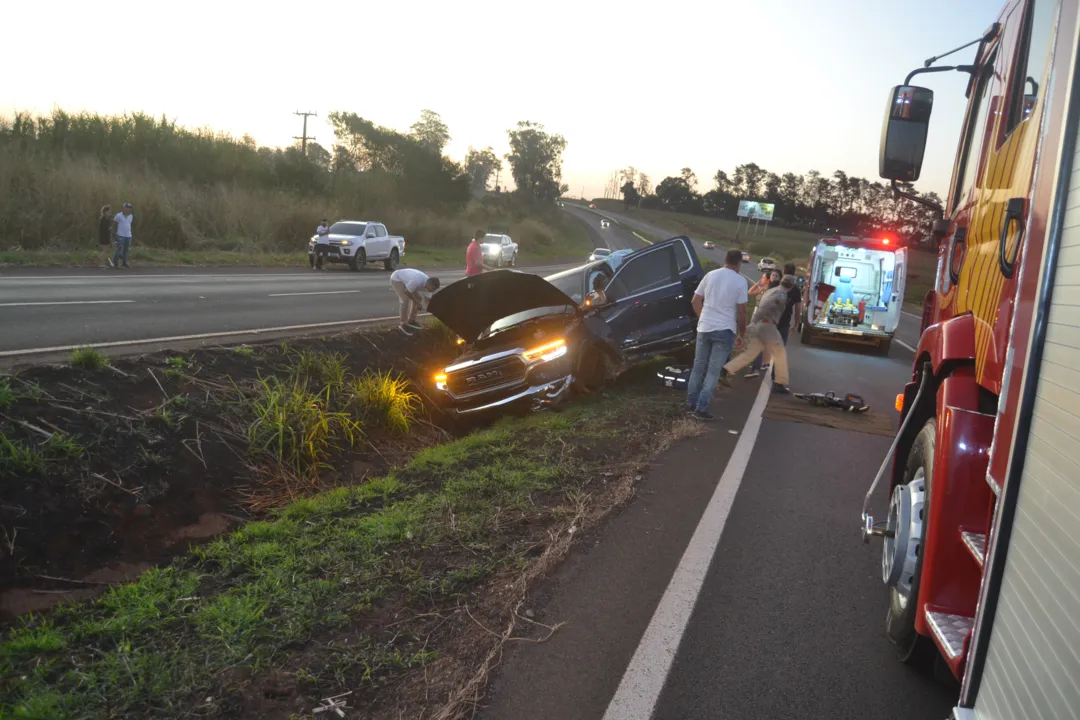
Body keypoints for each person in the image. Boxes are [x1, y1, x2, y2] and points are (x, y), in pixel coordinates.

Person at [685, 248, 748, 421]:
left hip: (704, 327)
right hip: (725, 330)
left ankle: (690, 404)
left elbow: (695, 300)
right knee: (713, 372)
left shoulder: (710, 275)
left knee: (698, 367)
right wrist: (742, 334)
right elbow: (742, 312)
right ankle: (701, 408)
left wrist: (702, 318)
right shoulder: (740, 281)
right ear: (739, 263)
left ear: (725, 259)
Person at [719, 275, 796, 395]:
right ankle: (779, 383)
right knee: (780, 353)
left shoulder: (770, 290)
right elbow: (775, 304)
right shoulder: (781, 294)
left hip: (757, 324)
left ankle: (726, 369)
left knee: (750, 353)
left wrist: (752, 325)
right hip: (767, 325)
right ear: (791, 286)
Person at [744, 268, 782, 378]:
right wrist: (759, 283)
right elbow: (750, 292)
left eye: (776, 276)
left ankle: (756, 366)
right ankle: (756, 364)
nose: (774, 277)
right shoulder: (764, 288)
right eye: (772, 275)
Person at [390, 268, 440, 336]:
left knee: (418, 298)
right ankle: (403, 324)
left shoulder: (429, 287)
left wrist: (434, 311)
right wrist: (417, 303)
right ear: (429, 285)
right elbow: (407, 291)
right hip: (397, 278)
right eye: (433, 289)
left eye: (435, 290)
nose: (433, 291)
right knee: (405, 300)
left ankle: (411, 320)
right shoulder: (418, 280)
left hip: (408, 281)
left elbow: (427, 301)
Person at [111, 202, 134, 269]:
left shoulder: (131, 216)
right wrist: (113, 233)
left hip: (128, 235)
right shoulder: (119, 215)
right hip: (121, 235)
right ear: (123, 208)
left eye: (129, 208)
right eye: (126, 208)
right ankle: (115, 262)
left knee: (126, 250)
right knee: (119, 249)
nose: (128, 209)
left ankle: (124, 263)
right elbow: (114, 224)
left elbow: (129, 224)